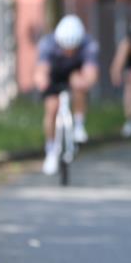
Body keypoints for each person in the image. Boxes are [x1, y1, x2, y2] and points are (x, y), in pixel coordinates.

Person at [33, 14, 99, 175]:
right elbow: (41, 69)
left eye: (73, 48)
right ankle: (50, 150)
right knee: (51, 108)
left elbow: (91, 72)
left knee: (78, 84)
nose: (69, 52)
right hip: (55, 75)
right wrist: (42, 81)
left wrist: (86, 82)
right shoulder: (47, 44)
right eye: (65, 48)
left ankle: (78, 125)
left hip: (74, 74)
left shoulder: (89, 44)